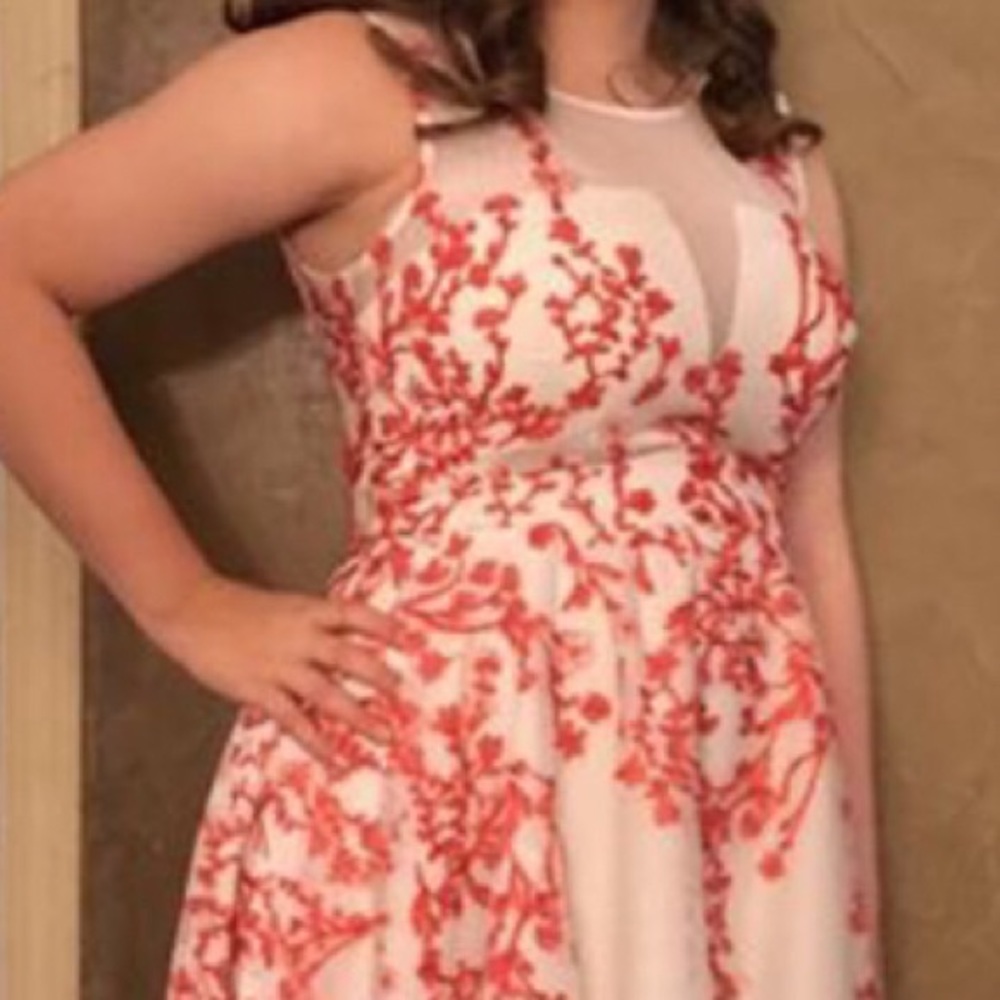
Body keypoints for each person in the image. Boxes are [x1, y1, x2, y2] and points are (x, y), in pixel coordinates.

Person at [0, 0, 885, 995]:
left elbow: (811, 537)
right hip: (447, 799)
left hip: (734, 816)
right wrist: (183, 601)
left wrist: (847, 904)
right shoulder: (361, 78)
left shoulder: (769, 149)